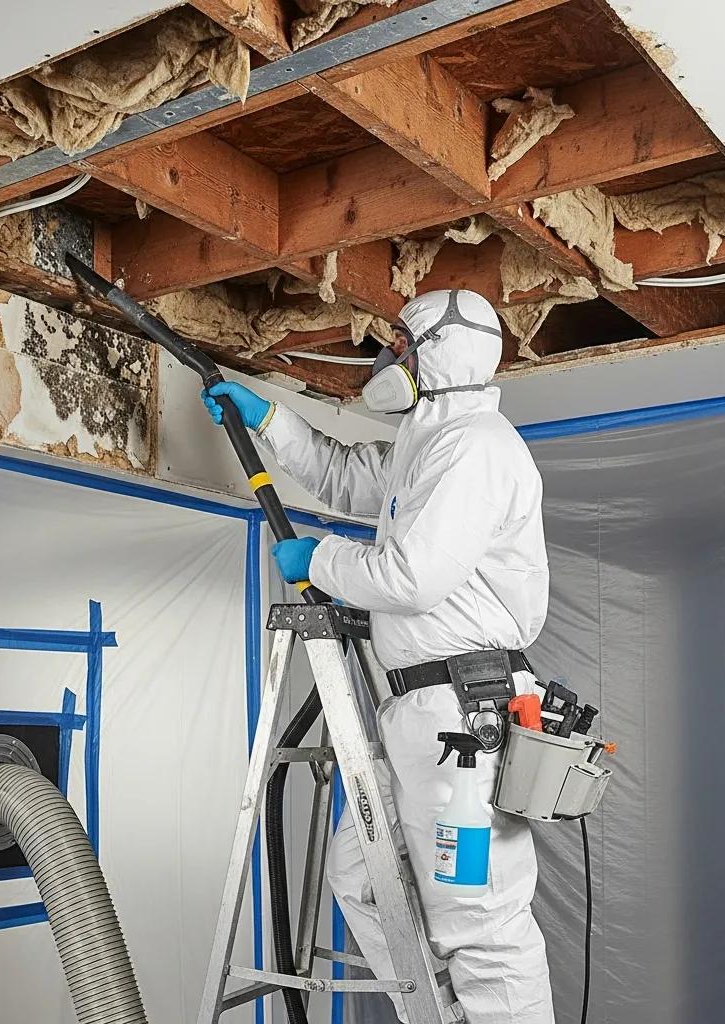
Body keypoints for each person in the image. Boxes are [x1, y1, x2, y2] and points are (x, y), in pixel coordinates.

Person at [201, 289, 554, 1024]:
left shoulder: (478, 450)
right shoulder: (428, 446)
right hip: (422, 712)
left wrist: (320, 559)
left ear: (435, 355)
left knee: (479, 923)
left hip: (465, 717)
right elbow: (345, 475)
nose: (388, 358)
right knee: (363, 879)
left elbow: (414, 576)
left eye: (401, 345)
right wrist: (270, 421)